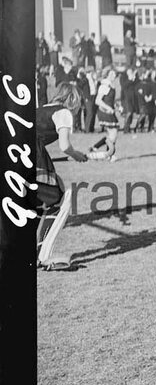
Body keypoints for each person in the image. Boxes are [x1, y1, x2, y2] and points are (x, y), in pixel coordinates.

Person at [35, 82, 91, 269]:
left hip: (16, 155)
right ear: (73, 100)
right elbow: (65, 146)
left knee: (34, 203)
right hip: (34, 157)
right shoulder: (64, 112)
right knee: (60, 200)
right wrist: (76, 155)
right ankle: (43, 255)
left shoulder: (41, 109)